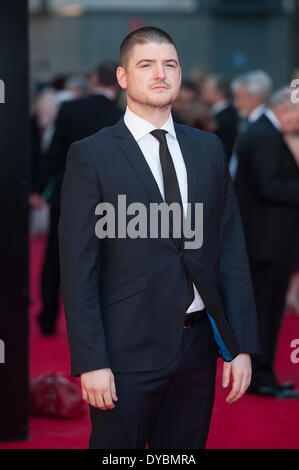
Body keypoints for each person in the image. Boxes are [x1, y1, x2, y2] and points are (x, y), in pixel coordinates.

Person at [58, 26, 260, 449]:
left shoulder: (208, 148)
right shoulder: (92, 154)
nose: (159, 74)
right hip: (125, 349)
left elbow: (231, 251)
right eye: (145, 64)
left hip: (197, 346)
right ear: (122, 77)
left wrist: (239, 345)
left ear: (180, 74)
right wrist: (91, 360)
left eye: (169, 64)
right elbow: (78, 268)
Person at [31, 61, 123, 336]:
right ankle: (102, 321)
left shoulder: (71, 109)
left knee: (56, 258)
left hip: (67, 194)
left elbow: (55, 153)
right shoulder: (122, 114)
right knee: (106, 260)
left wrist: (39, 187)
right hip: (109, 199)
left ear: (94, 80)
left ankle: (48, 318)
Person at [234, 88, 299, 398]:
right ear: (285, 111)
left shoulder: (263, 132)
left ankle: (263, 374)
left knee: (267, 310)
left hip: (270, 240)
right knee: (263, 311)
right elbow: (269, 185)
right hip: (266, 241)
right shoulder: (263, 135)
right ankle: (260, 377)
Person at [229, 70, 273, 178]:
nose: (236, 103)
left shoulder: (263, 129)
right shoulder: (250, 123)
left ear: (255, 97)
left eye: (239, 97)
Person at [201, 74, 238, 162]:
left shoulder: (226, 119)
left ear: (219, 93)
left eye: (206, 89)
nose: (202, 92)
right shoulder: (217, 114)